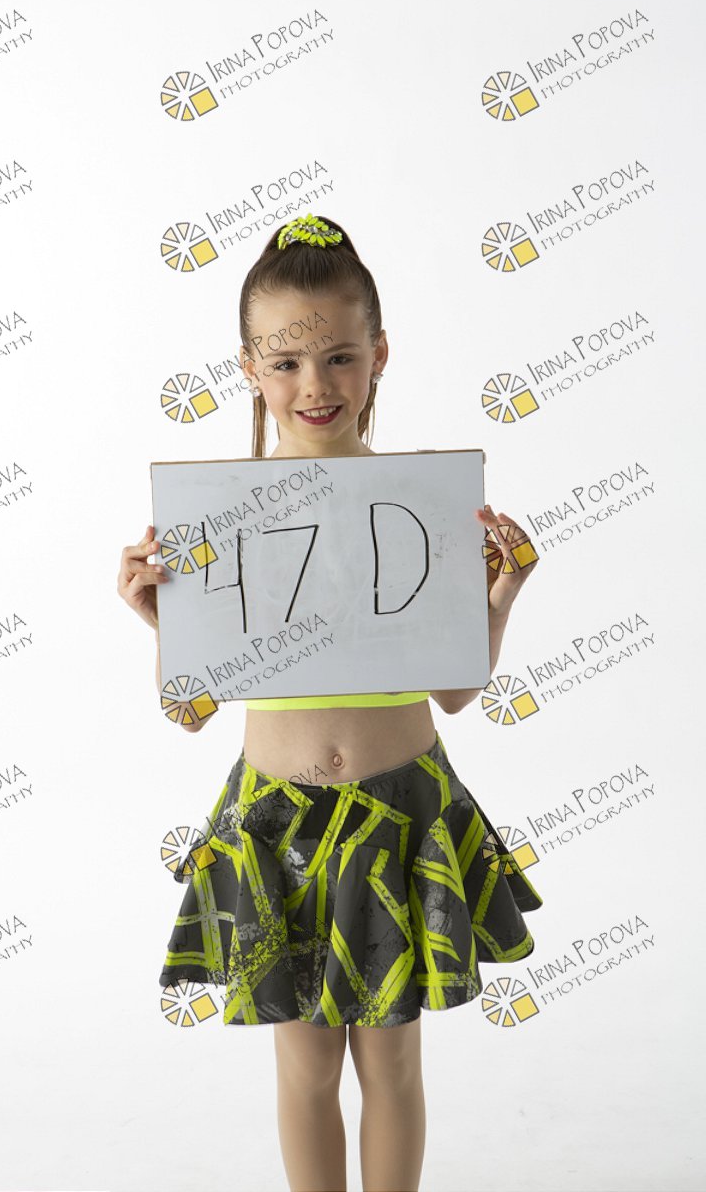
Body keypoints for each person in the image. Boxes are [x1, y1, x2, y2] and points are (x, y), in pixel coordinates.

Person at [117, 212, 543, 1192]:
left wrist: (501, 593)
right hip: (276, 825)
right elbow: (190, 710)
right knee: (305, 1065)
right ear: (249, 369)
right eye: (287, 362)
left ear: (378, 354)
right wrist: (159, 622)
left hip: (400, 813)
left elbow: (454, 690)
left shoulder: (423, 502)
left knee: (391, 1060)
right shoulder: (219, 521)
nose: (315, 385)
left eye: (341, 356)